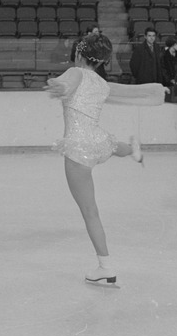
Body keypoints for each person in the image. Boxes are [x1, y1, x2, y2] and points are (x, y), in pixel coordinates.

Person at [45, 33, 165, 284]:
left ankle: (106, 266)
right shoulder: (101, 83)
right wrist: (156, 90)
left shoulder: (76, 72)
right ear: (100, 61)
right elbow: (131, 92)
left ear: (79, 54)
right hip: (98, 143)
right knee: (111, 146)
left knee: (90, 212)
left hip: (78, 149)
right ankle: (132, 150)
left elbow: (70, 79)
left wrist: (60, 85)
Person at [160, 36, 177, 101]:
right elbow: (163, 70)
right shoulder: (163, 56)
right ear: (172, 44)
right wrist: (170, 80)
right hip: (168, 83)